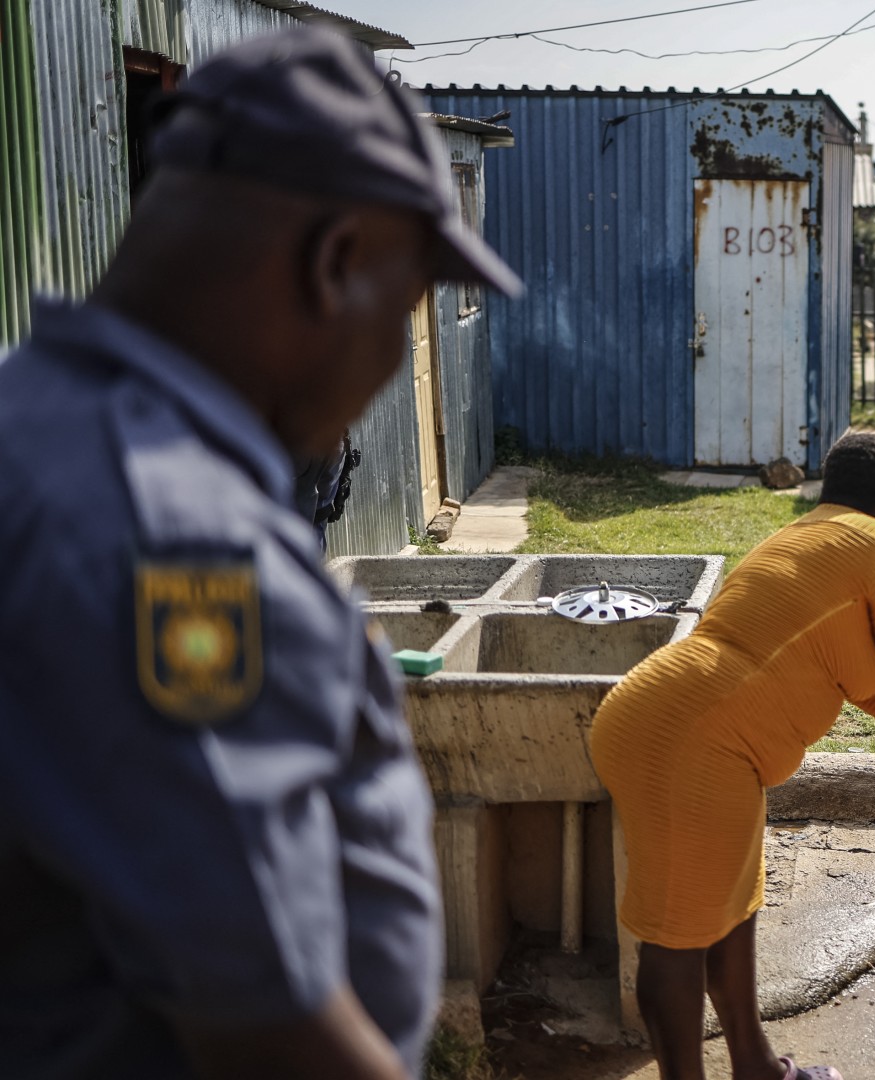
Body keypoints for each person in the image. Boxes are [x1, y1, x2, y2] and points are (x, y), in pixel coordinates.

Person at [0, 29, 521, 1079]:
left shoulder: (34, 423)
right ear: (334, 264)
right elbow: (260, 1018)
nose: (389, 362)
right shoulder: (176, 538)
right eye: (405, 308)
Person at [590, 433, 875, 1080]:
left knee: (730, 907)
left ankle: (757, 1068)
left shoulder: (805, 538)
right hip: (693, 739)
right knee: (677, 935)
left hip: (673, 721)